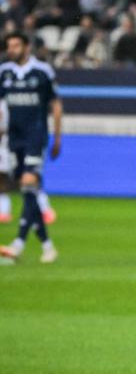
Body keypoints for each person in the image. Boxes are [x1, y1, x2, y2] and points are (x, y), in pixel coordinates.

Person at [0, 32, 62, 264]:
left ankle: (18, 244)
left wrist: (57, 137)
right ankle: (47, 246)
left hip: (35, 136)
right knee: (28, 192)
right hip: (14, 139)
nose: (12, 50)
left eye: (16, 45)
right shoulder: (4, 72)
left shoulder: (42, 71)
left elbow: (56, 104)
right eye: (9, 46)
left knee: (28, 184)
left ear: (26, 47)